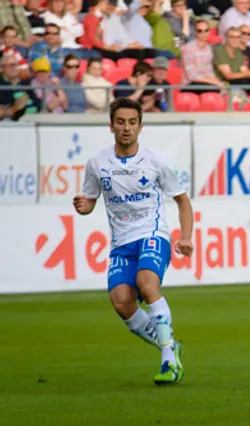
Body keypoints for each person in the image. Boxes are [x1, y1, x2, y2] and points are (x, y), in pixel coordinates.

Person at [72, 97, 194, 385]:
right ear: (111, 126)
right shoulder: (97, 163)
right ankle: (170, 346)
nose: (126, 128)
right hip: (121, 243)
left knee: (147, 283)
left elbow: (182, 200)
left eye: (132, 122)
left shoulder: (156, 161)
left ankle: (168, 362)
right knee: (122, 303)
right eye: (120, 122)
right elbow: (90, 200)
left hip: (152, 233)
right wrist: (83, 206)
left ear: (140, 126)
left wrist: (185, 237)